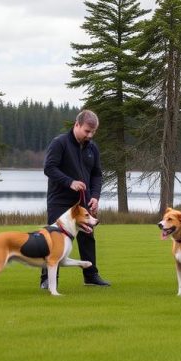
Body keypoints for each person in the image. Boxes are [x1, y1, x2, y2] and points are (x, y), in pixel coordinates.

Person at [41, 109, 110, 287]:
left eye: (93, 132)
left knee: (88, 236)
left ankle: (91, 276)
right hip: (59, 199)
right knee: (54, 237)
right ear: (77, 125)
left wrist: (95, 196)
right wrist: (69, 182)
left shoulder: (92, 148)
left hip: (83, 201)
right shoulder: (60, 143)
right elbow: (49, 168)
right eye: (87, 131)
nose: (90, 135)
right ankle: (48, 279)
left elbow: (96, 174)